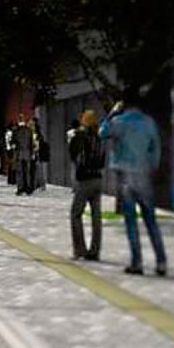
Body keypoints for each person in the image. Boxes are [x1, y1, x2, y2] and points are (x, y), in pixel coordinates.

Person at [100, 91, 167, 276]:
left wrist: (112, 112)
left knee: (131, 222)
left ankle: (137, 263)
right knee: (151, 221)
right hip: (144, 174)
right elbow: (156, 148)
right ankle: (161, 262)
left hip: (126, 176)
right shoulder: (149, 122)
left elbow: (102, 132)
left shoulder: (120, 121)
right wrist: (151, 167)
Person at [69, 110, 105, 261]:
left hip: (85, 180)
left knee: (75, 214)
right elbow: (103, 159)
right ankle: (95, 251)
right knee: (96, 217)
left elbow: (72, 153)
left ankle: (80, 250)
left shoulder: (80, 136)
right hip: (97, 178)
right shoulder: (98, 137)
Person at [13, 115, 35, 195]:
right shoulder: (29, 130)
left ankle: (20, 188)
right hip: (27, 153)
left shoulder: (15, 130)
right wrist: (32, 153)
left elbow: (13, 142)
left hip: (19, 153)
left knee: (20, 172)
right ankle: (28, 188)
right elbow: (31, 143)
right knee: (27, 171)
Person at [32, 117, 49, 192]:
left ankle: (40, 185)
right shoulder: (39, 134)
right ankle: (40, 185)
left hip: (37, 154)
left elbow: (36, 145)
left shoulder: (35, 135)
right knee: (39, 170)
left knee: (39, 170)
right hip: (38, 154)